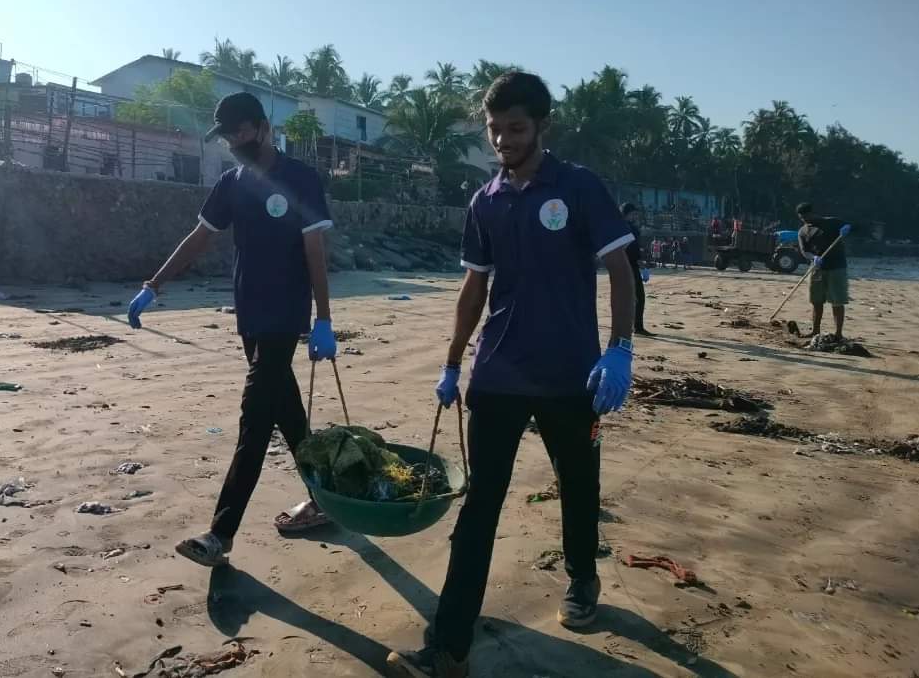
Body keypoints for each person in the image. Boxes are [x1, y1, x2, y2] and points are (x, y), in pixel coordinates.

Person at [386, 72, 636, 678]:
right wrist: (451, 360)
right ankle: (450, 648)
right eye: (494, 129)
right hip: (496, 374)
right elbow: (474, 287)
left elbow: (620, 269)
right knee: (479, 509)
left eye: (515, 128)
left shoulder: (579, 188)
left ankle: (581, 577)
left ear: (542, 126)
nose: (502, 140)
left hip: (570, 376)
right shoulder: (485, 201)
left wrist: (620, 348)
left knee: (577, 485)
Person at [126, 92, 338, 568]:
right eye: (225, 135)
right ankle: (325, 498)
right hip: (250, 318)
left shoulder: (300, 178)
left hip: (284, 318)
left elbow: (315, 252)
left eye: (238, 132)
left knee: (254, 420)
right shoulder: (231, 183)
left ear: (262, 127)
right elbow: (200, 237)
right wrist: (154, 286)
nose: (232, 141)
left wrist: (323, 318)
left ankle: (221, 534)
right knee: (287, 413)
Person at [796, 202, 853, 339]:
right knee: (816, 301)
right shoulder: (803, 231)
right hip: (817, 268)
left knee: (837, 301)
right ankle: (815, 330)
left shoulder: (832, 222)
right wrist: (813, 257)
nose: (805, 220)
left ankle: (838, 333)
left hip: (837, 267)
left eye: (807, 216)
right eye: (802, 218)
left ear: (813, 212)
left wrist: (848, 228)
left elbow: (856, 227)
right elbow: (805, 251)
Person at [621, 202, 651, 335]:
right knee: (639, 297)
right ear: (626, 214)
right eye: (632, 214)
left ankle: (626, 326)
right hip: (630, 266)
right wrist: (641, 264)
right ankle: (637, 327)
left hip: (622, 266)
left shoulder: (619, 227)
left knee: (626, 298)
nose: (635, 216)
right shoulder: (630, 229)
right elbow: (633, 249)